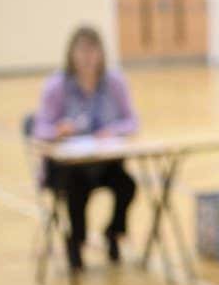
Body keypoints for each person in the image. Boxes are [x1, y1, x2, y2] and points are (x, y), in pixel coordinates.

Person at [32, 25, 139, 271]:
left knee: (127, 185)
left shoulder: (114, 83)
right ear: (71, 54)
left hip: (103, 161)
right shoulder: (57, 86)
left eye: (93, 51)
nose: (88, 57)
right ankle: (76, 241)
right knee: (76, 189)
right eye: (82, 51)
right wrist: (58, 131)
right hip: (68, 168)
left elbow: (132, 121)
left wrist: (114, 131)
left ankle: (113, 232)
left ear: (101, 54)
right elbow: (39, 129)